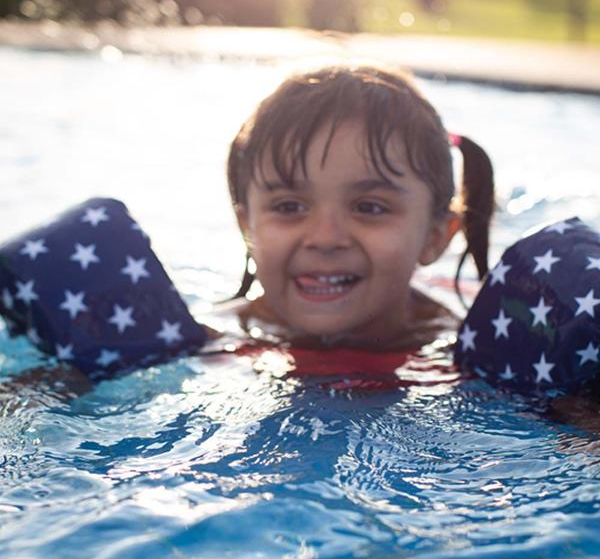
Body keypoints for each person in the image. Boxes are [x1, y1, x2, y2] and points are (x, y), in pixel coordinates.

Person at [0, 64, 495, 385]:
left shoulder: (470, 359)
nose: (324, 238)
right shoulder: (212, 337)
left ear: (435, 236)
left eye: (369, 207)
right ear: (246, 226)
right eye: (289, 206)